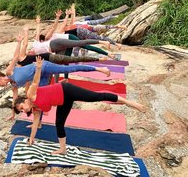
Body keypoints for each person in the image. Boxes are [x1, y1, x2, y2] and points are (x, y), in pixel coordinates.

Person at [13, 56, 146, 155]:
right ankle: (62, 149)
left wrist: (39, 68)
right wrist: (31, 139)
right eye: (22, 111)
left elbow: (35, 81)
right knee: (59, 123)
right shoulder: (36, 109)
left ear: (24, 102)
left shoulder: (30, 94)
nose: (24, 111)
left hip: (66, 90)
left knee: (96, 97)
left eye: (21, 108)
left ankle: (129, 102)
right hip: (62, 102)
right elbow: (35, 124)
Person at [0, 34, 110, 120]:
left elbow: (15, 57)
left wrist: (19, 42)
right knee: (40, 97)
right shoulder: (14, 85)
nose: (2, 86)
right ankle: (38, 122)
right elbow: (15, 101)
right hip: (40, 77)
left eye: (0, 84)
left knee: (69, 68)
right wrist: (13, 114)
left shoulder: (9, 71)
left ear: (1, 79)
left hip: (43, 66)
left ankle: (100, 69)